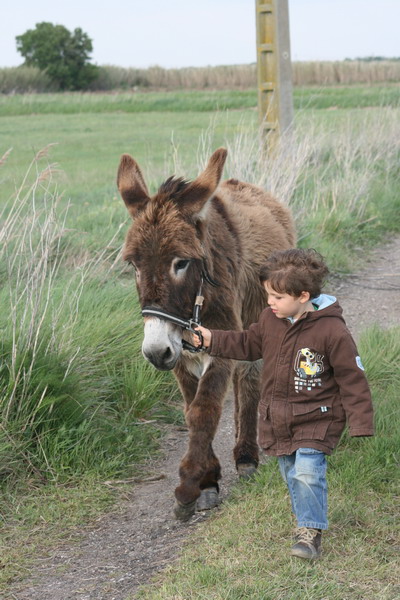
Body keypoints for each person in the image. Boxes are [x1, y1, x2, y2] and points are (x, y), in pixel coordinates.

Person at [191, 248, 374, 560]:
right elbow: (246, 344)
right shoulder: (270, 320)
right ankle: (305, 517)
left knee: (307, 472)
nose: (269, 303)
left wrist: (360, 422)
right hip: (277, 418)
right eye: (268, 296)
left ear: (303, 295)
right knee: (291, 473)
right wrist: (210, 339)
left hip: (318, 418)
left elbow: (352, 378)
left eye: (276, 297)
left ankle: (309, 532)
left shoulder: (332, 331)